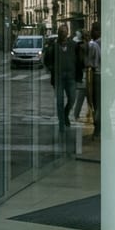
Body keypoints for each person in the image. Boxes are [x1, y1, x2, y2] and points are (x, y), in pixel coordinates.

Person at [44, 23, 82, 152]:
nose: (63, 34)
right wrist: (52, 68)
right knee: (59, 101)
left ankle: (65, 114)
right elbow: (47, 60)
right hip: (59, 78)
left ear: (68, 33)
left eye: (65, 31)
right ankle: (61, 123)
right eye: (61, 31)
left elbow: (79, 60)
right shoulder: (53, 47)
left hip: (70, 77)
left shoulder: (73, 46)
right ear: (59, 33)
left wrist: (79, 75)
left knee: (72, 98)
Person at [86, 23, 102, 140]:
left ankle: (97, 131)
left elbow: (90, 62)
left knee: (95, 104)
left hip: (96, 75)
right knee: (101, 105)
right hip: (105, 75)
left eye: (92, 30)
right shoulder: (106, 43)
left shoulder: (93, 45)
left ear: (97, 31)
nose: (91, 32)